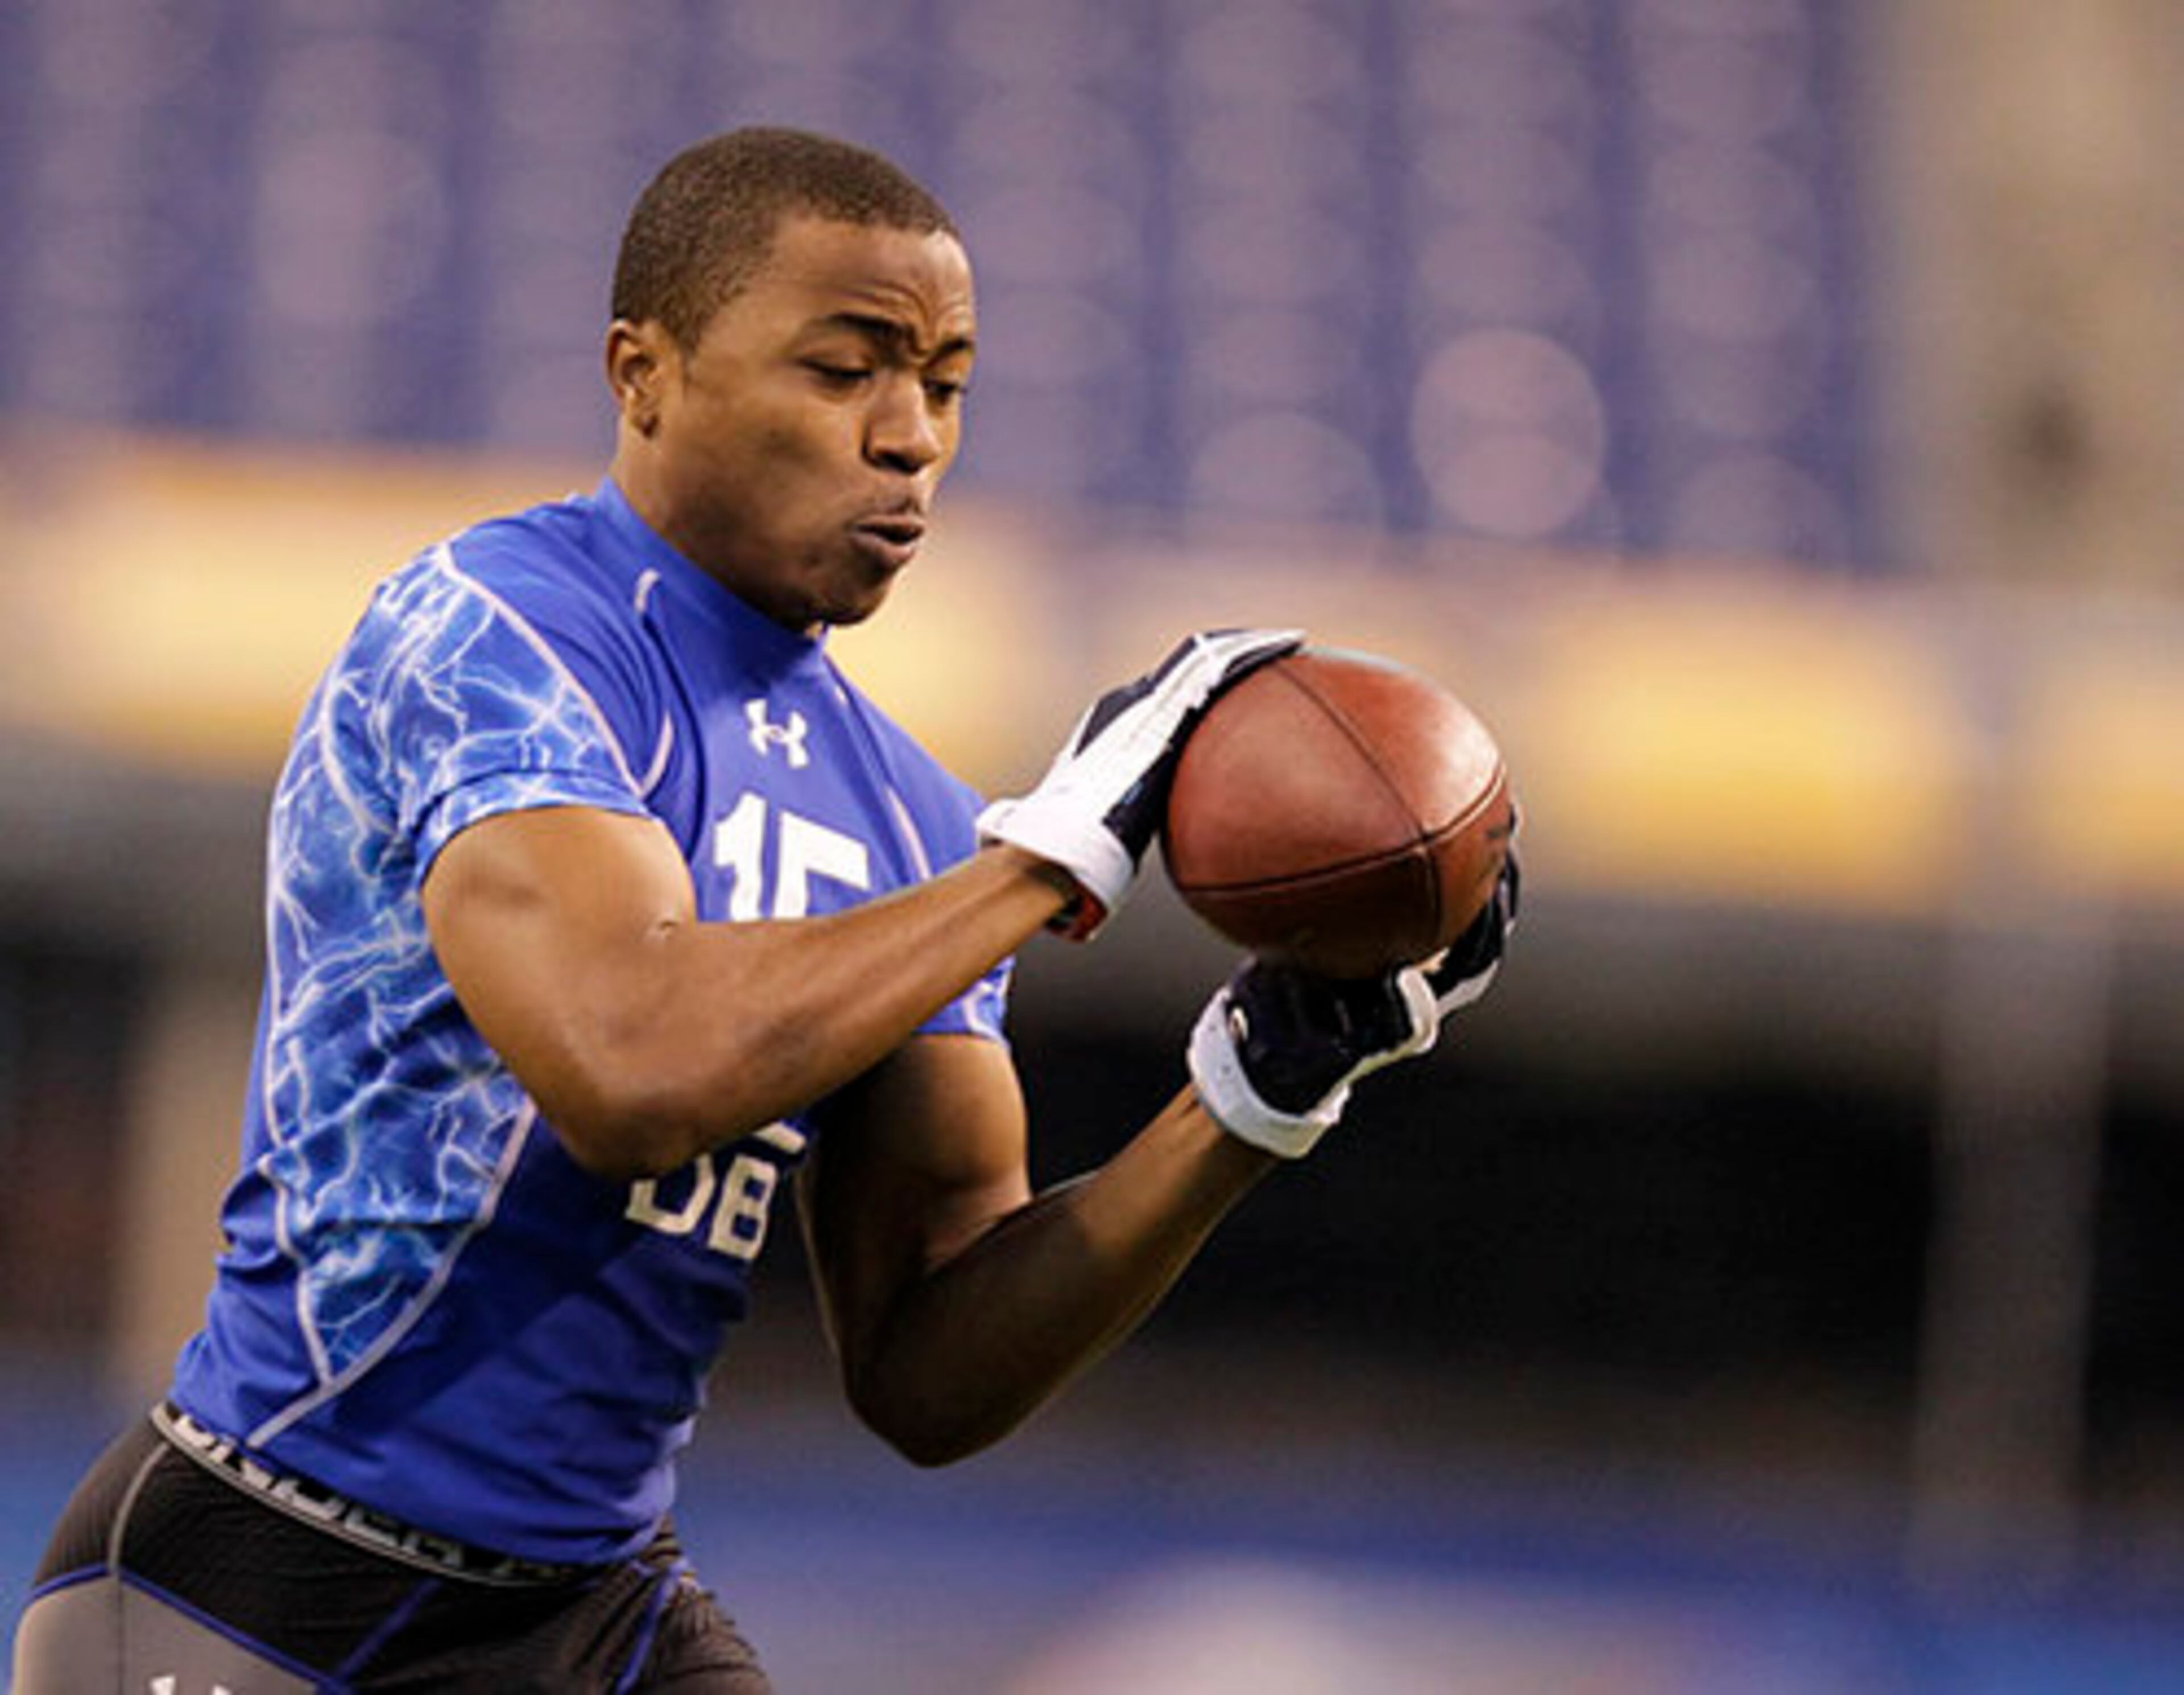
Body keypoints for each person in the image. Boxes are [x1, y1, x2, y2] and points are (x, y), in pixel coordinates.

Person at [9, 126, 1515, 1693]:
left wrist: (1246, 1100)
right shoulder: (491, 631)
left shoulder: (919, 823)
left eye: (944, 382)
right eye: (846, 366)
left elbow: (931, 1366)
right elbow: (630, 1072)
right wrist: (1042, 862)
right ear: (642, 371)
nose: (909, 435)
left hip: (592, 1608)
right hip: (272, 1582)